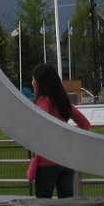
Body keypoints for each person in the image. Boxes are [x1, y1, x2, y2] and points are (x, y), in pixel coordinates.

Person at [26, 63, 91, 199]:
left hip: (47, 161)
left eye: (33, 79)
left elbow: (41, 126)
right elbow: (85, 124)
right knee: (67, 203)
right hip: (66, 161)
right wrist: (66, 138)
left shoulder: (44, 101)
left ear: (40, 82)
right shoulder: (62, 101)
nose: (32, 83)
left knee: (43, 205)